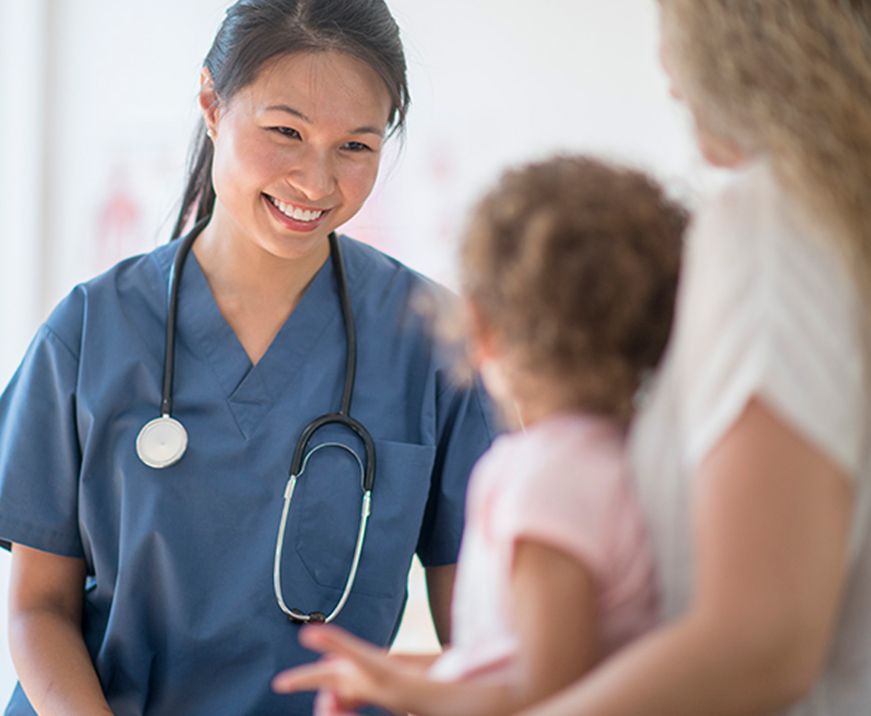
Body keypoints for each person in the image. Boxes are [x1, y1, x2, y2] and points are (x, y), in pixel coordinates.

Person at [0, 0, 498, 716]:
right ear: (211, 102)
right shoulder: (94, 329)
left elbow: (483, 636)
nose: (316, 180)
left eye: (356, 147)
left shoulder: (432, 343)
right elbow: (38, 610)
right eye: (285, 132)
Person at [515, 0, 871, 714]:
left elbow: (760, 642)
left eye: (670, 14)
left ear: (734, 18)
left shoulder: (774, 220)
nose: (668, 73)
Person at [273, 156, 686, 715]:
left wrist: (402, 691)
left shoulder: (546, 482)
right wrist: (397, 670)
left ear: (482, 328)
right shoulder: (640, 458)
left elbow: (548, 695)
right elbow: (524, 660)